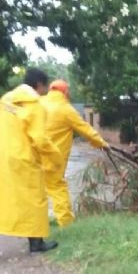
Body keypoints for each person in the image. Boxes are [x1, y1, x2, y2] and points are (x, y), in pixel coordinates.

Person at [0, 68, 63, 258]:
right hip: (24, 159)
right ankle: (36, 244)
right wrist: (56, 158)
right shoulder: (35, 106)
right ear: (39, 85)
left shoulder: (5, 100)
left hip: (1, 158)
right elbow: (40, 139)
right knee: (35, 199)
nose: (44, 93)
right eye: (44, 89)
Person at [40, 79, 109, 227]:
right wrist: (101, 143)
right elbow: (85, 129)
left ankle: (32, 223)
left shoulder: (40, 103)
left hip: (35, 157)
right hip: (54, 157)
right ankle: (65, 222)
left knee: (36, 190)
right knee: (58, 188)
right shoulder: (66, 109)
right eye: (68, 91)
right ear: (64, 92)